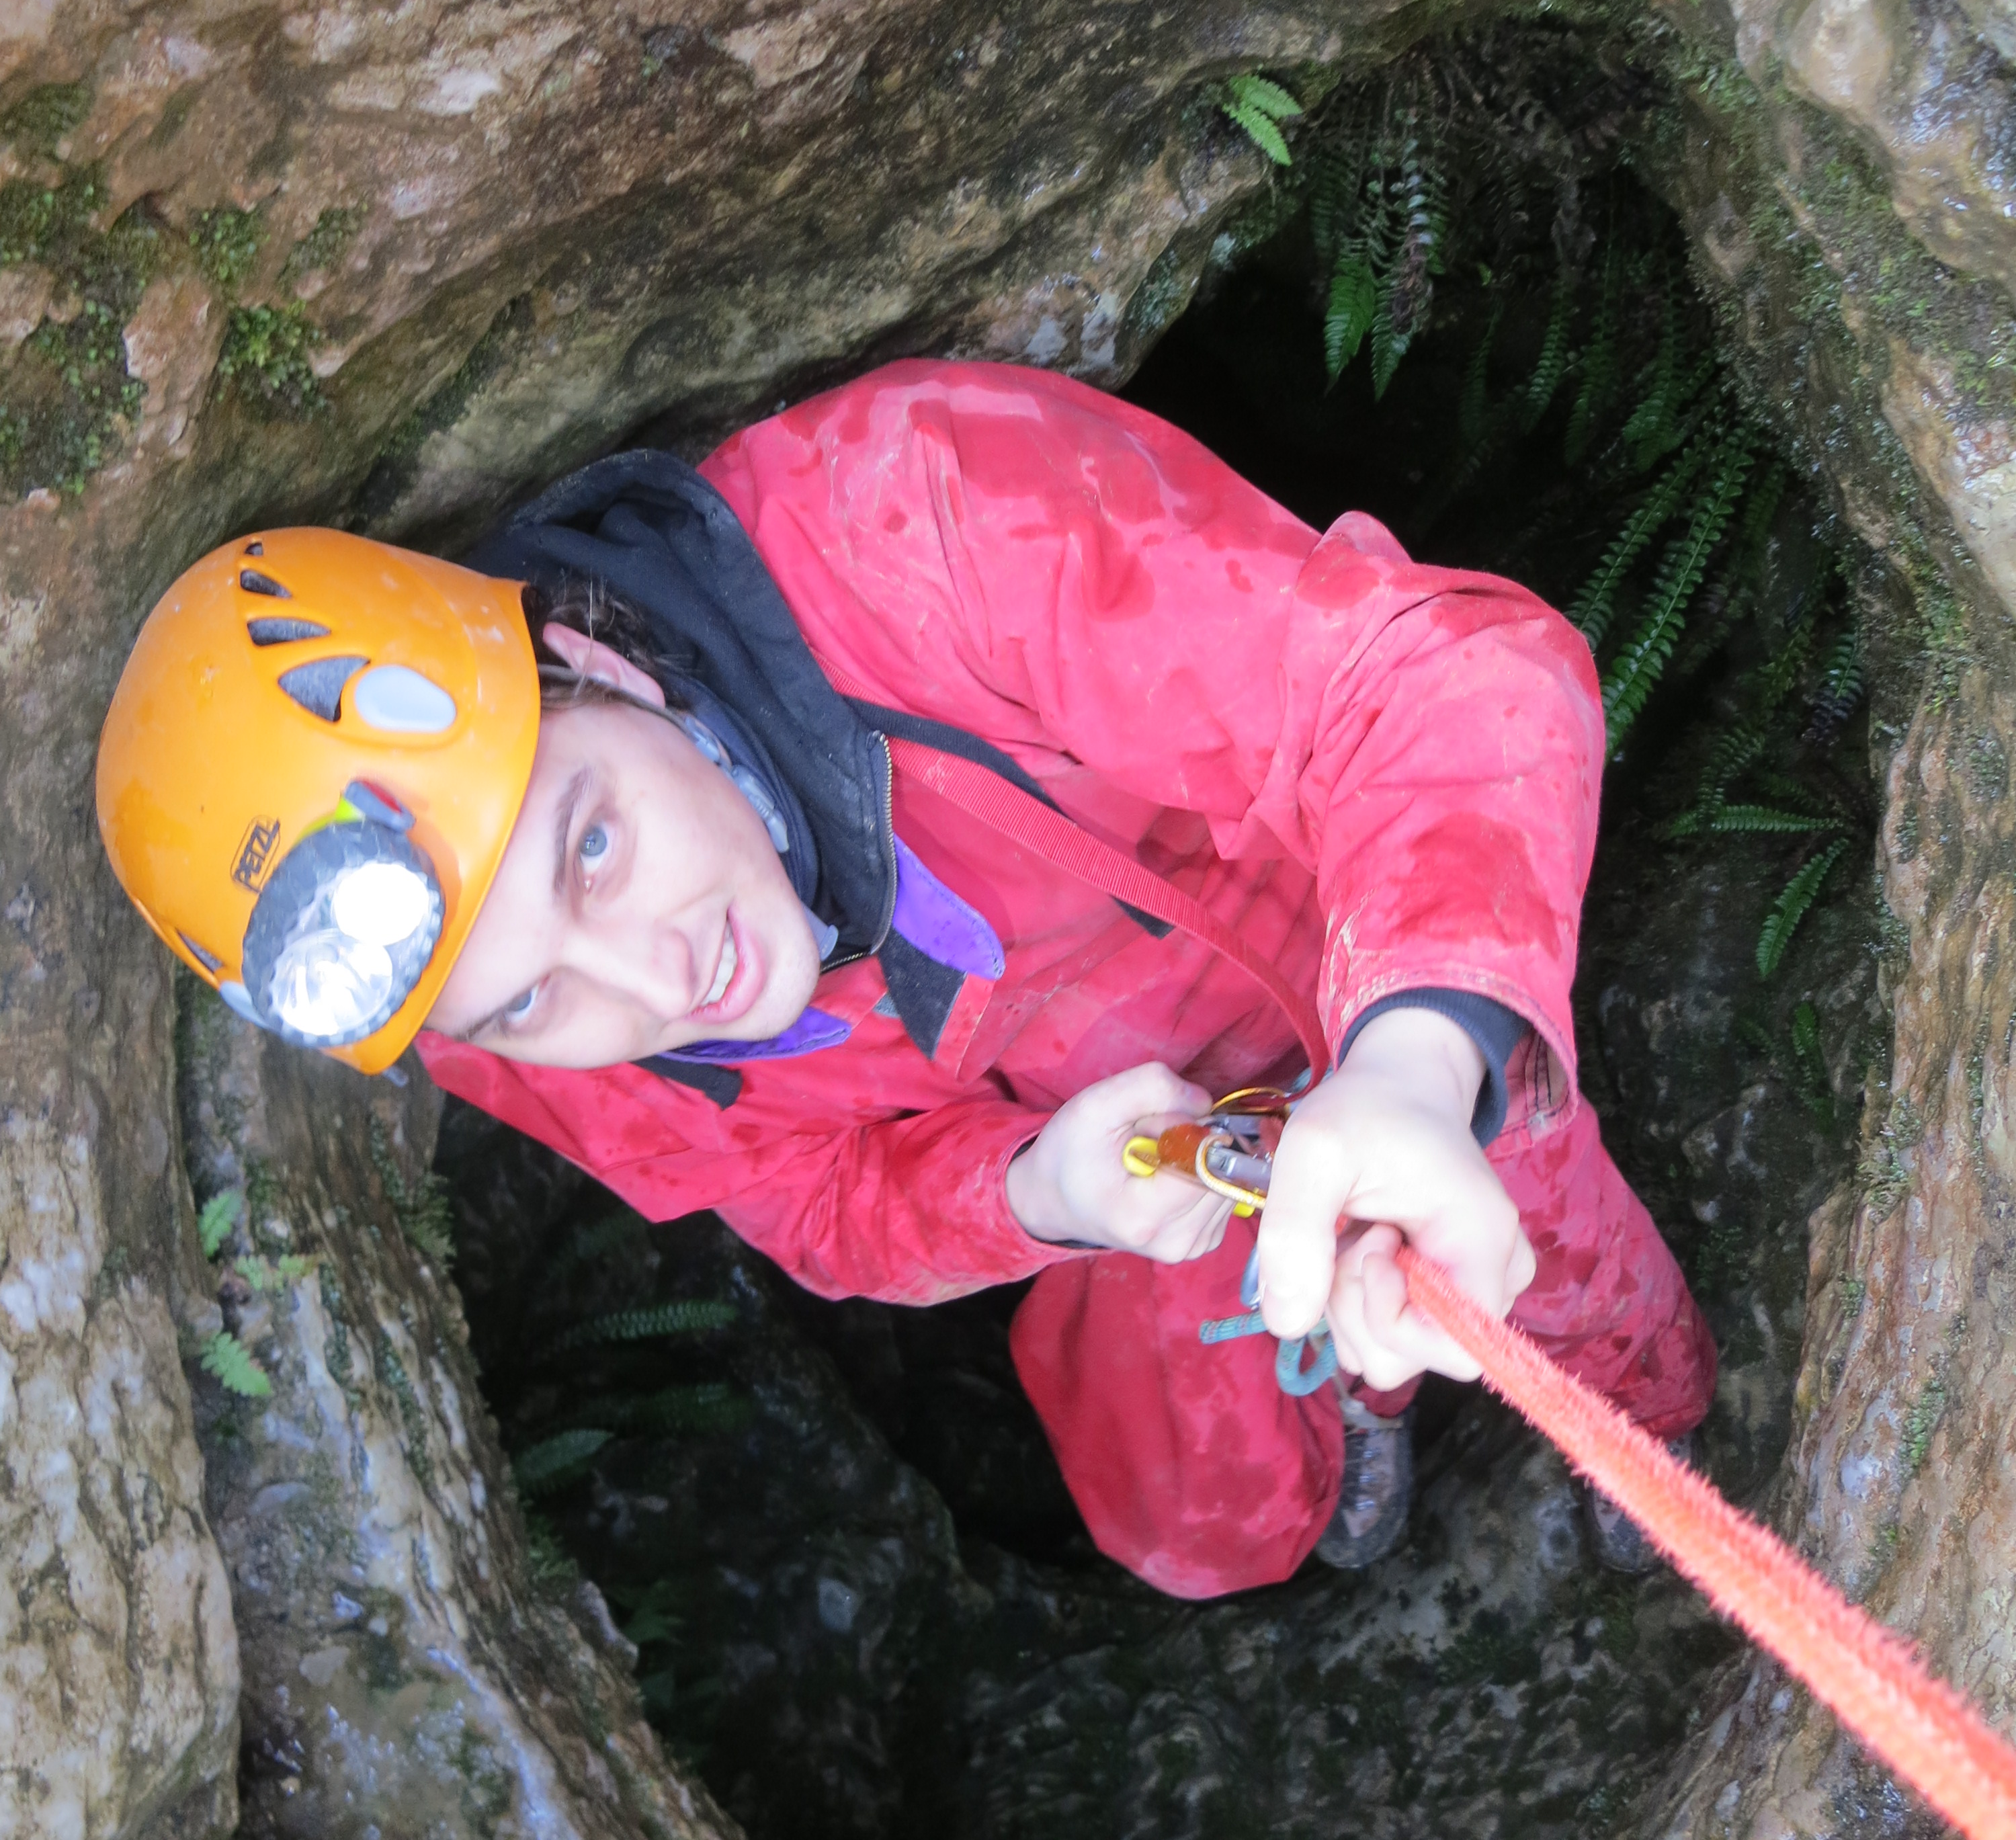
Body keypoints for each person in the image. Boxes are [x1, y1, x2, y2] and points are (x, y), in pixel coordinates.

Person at [96, 359, 1714, 1596]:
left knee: (1555, 1251)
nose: (655, 974)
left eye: (587, 843)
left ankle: (1656, 1447)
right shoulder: (511, 1027)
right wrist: (1034, 1194)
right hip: (1142, 1142)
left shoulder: (918, 522)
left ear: (585, 662)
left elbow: (1417, 682)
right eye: (528, 994)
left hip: (1367, 966)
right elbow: (806, 1193)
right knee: (1199, 1524)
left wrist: (1422, 1052)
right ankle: (1363, 1390)